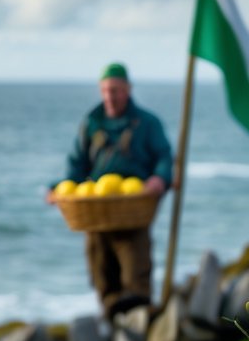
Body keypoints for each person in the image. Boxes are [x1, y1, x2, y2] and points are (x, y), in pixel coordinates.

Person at [48, 63, 172, 319]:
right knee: (100, 266)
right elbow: (77, 164)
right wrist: (58, 190)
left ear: (128, 89)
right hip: (96, 209)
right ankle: (111, 320)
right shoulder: (91, 124)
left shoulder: (148, 123)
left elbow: (164, 156)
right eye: (105, 90)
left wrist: (160, 178)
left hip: (133, 206)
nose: (110, 96)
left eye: (115, 90)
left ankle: (141, 323)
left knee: (135, 266)